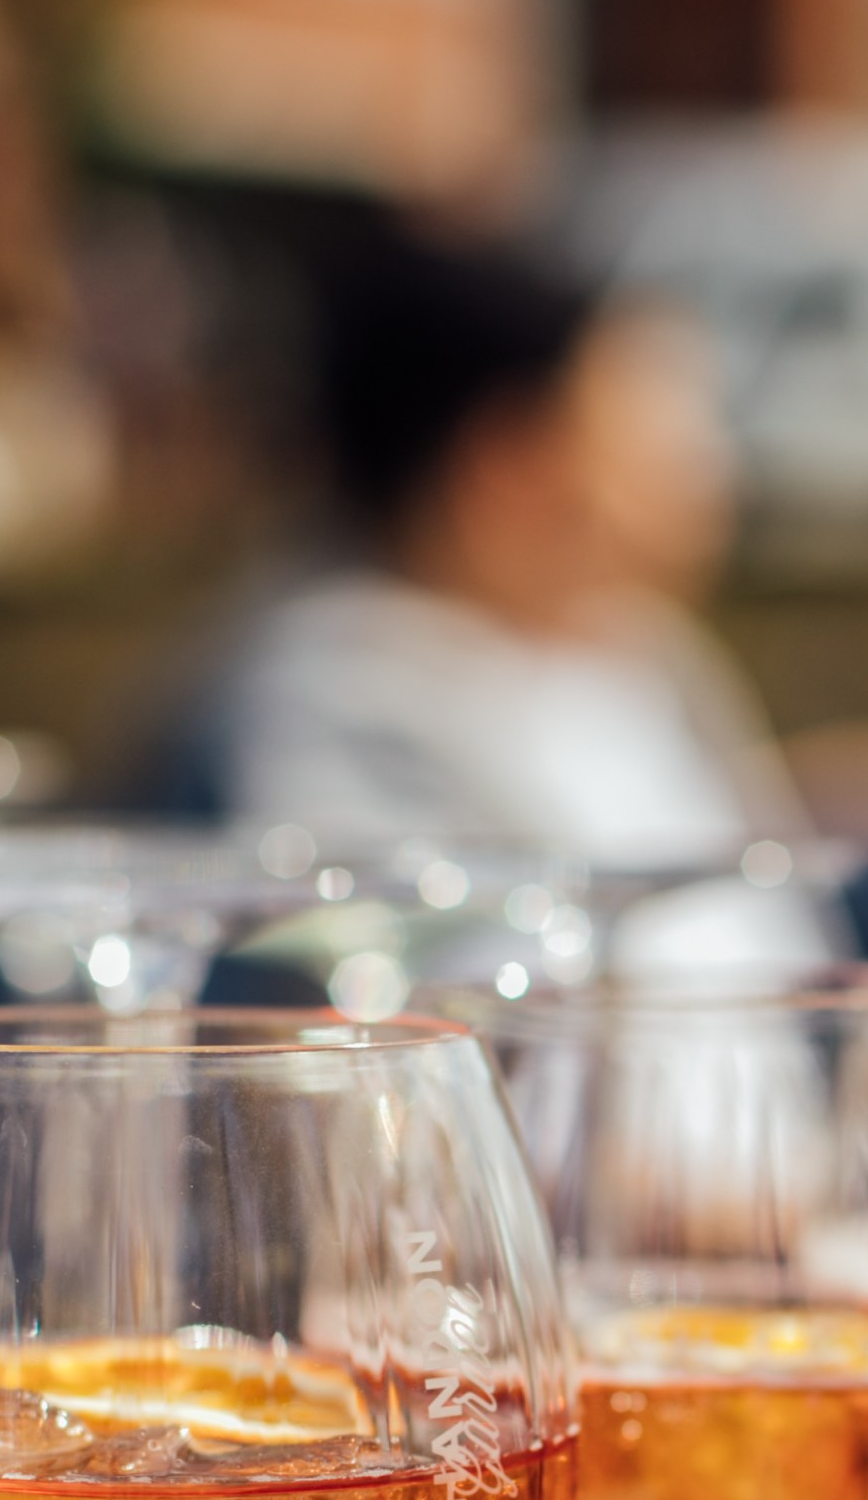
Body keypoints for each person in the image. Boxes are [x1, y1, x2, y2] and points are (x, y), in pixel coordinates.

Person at [177, 214, 821, 976]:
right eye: (659, 427)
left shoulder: (643, 651)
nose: (712, 466)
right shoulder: (340, 696)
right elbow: (447, 994)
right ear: (506, 467)